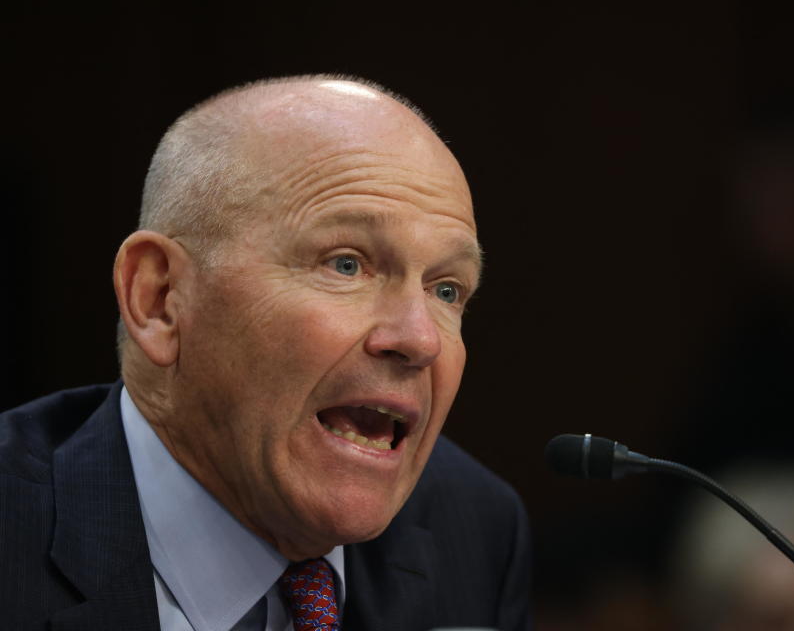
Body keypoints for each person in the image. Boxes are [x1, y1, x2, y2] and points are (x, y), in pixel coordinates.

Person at [0, 76, 531, 631]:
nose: (420, 340)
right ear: (159, 300)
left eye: (447, 290)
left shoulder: (474, 527)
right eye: (345, 264)